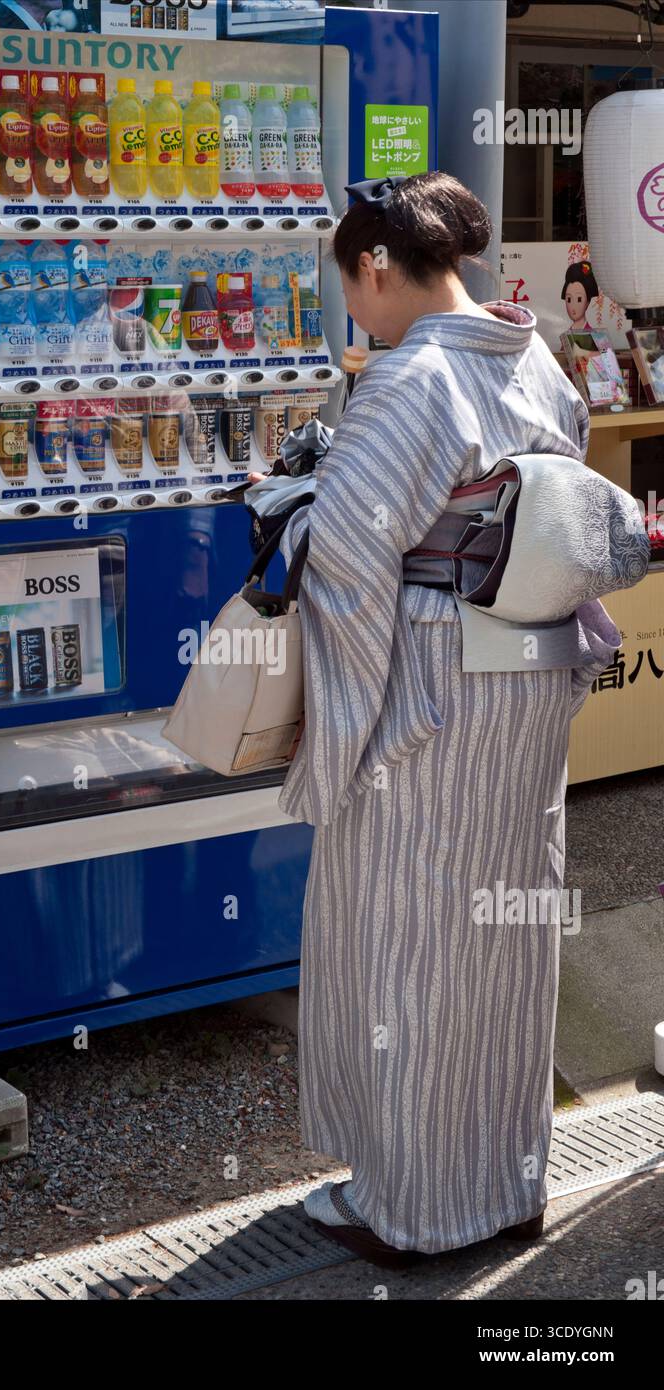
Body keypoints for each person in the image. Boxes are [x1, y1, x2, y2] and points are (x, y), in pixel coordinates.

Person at [275, 171, 621, 1264]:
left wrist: (337, 725)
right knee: (505, 939)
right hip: (525, 680)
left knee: (410, 942)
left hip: (426, 695)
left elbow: (350, 559)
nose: (353, 313)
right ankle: (509, 1183)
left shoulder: (408, 379)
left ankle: (418, 1209)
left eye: (350, 286)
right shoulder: (534, 356)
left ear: (374, 266)